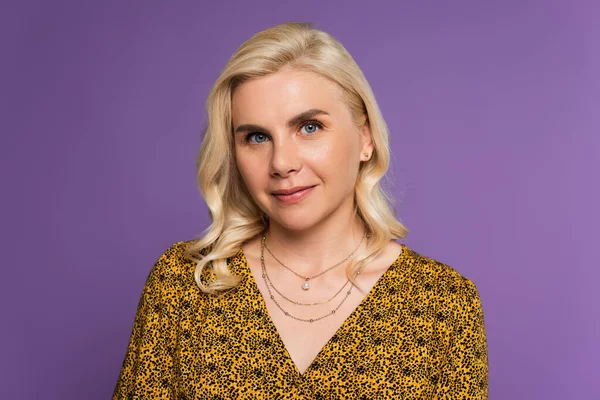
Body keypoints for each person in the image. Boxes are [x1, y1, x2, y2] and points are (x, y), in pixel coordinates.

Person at [113, 21, 488, 399]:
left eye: (309, 127)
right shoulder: (186, 283)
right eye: (256, 137)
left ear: (366, 138)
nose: (282, 163)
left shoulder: (443, 303)